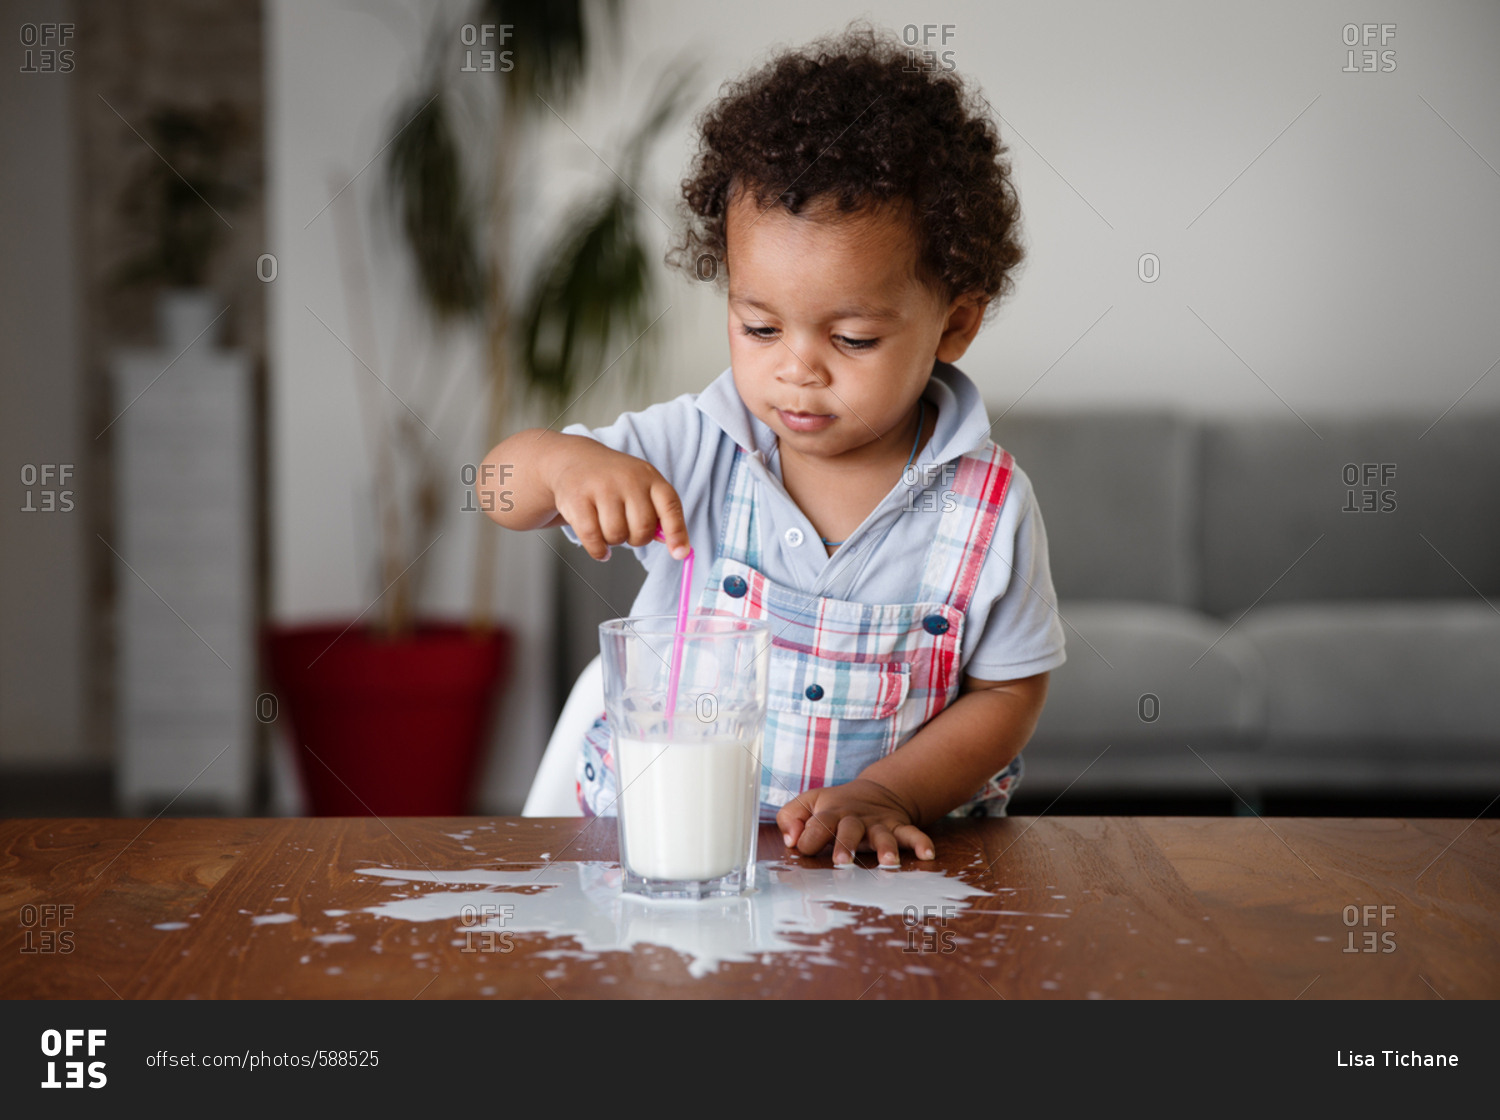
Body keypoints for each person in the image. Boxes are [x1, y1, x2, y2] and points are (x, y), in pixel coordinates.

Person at [481, 26, 1066, 868]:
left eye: (854, 339)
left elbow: (1009, 692)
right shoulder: (696, 448)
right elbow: (499, 492)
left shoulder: (988, 506)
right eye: (759, 327)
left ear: (957, 324)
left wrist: (889, 792)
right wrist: (561, 466)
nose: (797, 370)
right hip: (665, 861)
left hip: (883, 884)